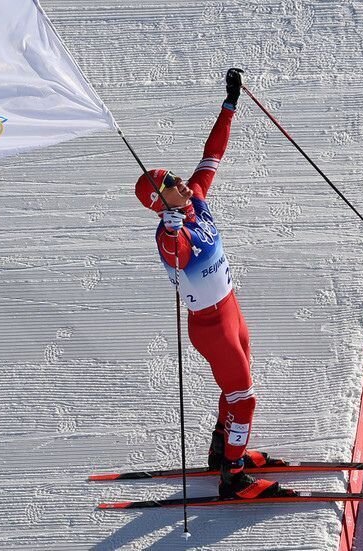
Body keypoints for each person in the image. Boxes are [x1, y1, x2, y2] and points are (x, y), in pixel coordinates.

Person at [133, 68, 288, 499]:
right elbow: (173, 250)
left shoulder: (196, 200)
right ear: (158, 202)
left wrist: (229, 106)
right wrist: (169, 227)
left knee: (236, 387)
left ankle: (223, 450)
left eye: (174, 177)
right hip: (210, 325)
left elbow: (211, 155)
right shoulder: (170, 236)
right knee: (245, 398)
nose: (180, 181)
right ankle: (234, 477)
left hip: (231, 308)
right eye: (169, 184)